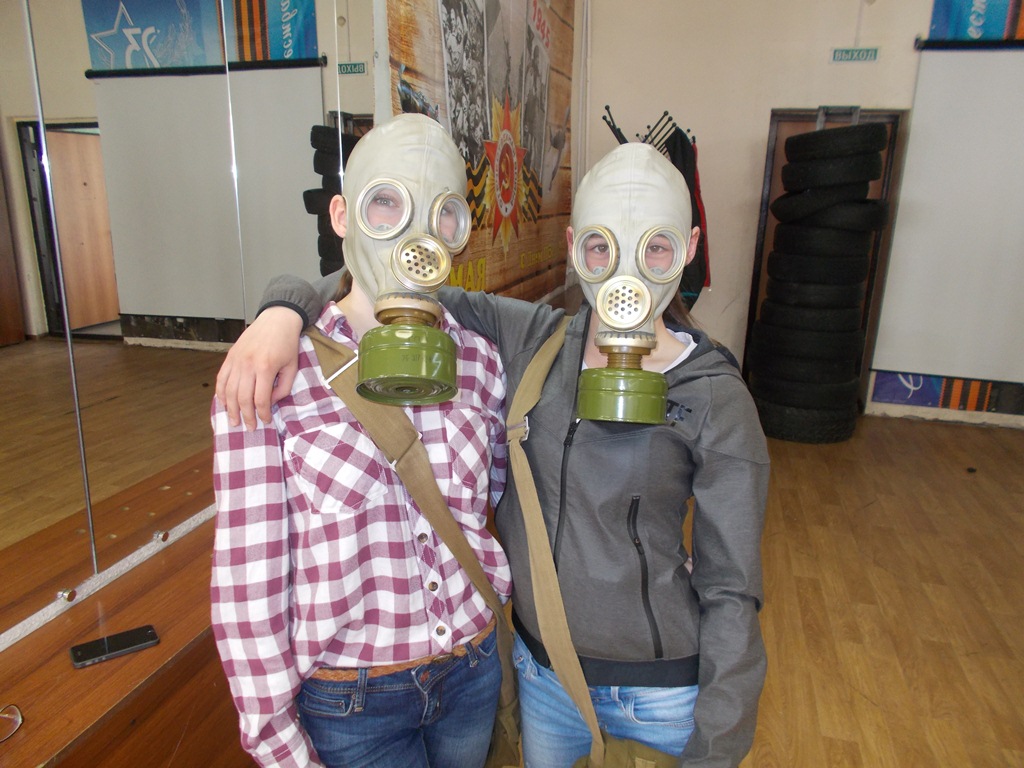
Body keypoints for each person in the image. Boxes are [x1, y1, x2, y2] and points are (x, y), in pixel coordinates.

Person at [217, 141, 769, 767]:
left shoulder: (715, 396)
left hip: (658, 692)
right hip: (542, 676)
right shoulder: (532, 340)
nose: (625, 275)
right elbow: (385, 279)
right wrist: (282, 309)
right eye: (600, 247)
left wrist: (717, 748)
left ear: (691, 247)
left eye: (656, 249)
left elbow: (733, 588)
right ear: (574, 248)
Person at [210, 113, 511, 768]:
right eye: (387, 204)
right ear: (342, 216)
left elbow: (490, 504)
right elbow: (248, 581)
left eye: (443, 214)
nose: (416, 236)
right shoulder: (272, 373)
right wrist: (279, 744)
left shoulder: (481, 362)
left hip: (472, 668)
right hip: (353, 700)